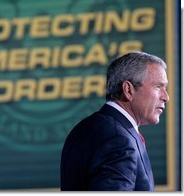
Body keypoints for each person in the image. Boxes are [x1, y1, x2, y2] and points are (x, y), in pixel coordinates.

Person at [60, 51, 169, 191]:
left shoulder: (85, 128)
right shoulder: (119, 140)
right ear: (128, 90)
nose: (166, 97)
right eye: (158, 87)